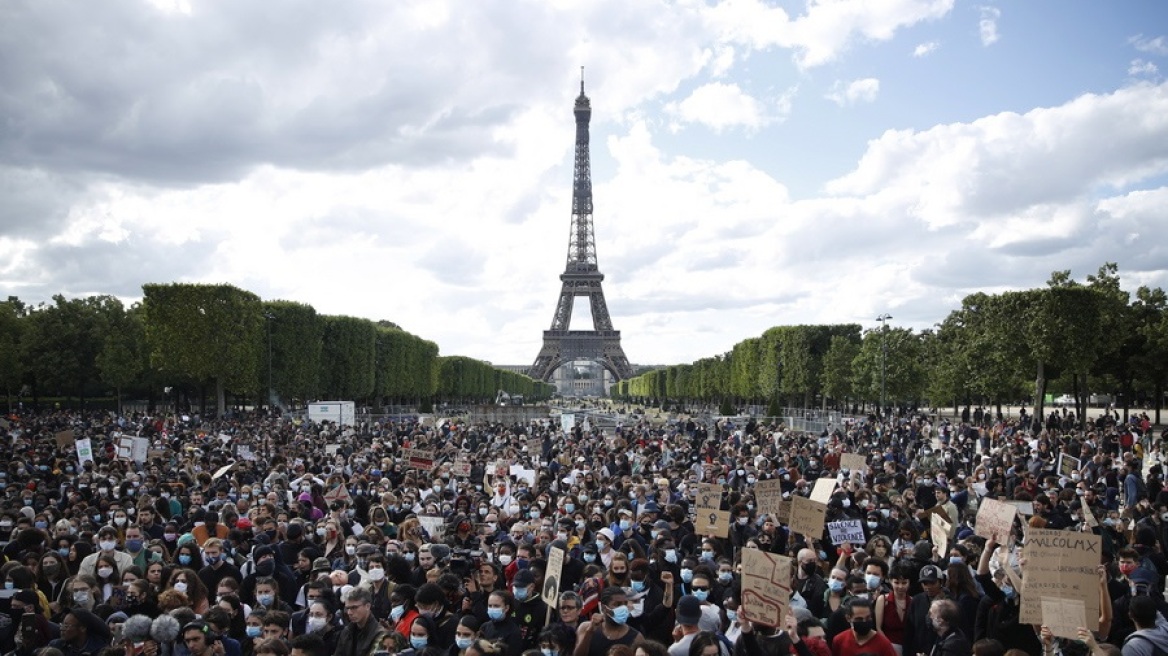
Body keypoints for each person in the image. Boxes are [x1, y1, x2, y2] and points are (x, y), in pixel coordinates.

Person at [575, 586, 642, 656]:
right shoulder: (585, 628)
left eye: (625, 604)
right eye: (617, 604)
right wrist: (589, 632)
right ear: (604, 608)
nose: (623, 608)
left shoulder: (636, 638)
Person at [829, 597, 896, 656]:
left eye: (868, 618)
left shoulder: (883, 644)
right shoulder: (839, 641)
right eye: (859, 619)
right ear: (848, 618)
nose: (864, 621)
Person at [334, 588, 386, 656]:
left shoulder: (380, 634)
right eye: (347, 608)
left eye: (354, 607)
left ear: (367, 606)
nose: (349, 612)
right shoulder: (346, 631)